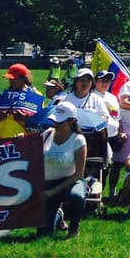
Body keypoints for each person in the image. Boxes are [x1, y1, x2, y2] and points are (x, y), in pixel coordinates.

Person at [40, 101, 88, 239]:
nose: (56, 125)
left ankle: (74, 227)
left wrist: (54, 191)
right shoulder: (47, 134)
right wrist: (20, 139)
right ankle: (58, 217)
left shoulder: (78, 140)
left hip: (71, 181)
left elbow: (79, 174)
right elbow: (30, 150)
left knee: (77, 196)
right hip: (49, 182)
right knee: (43, 233)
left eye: (60, 123)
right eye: (55, 121)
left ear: (71, 122)